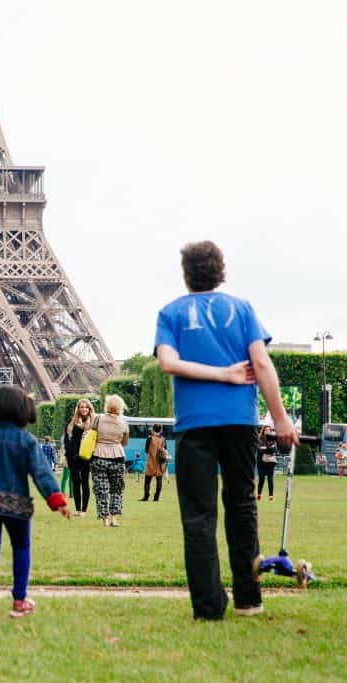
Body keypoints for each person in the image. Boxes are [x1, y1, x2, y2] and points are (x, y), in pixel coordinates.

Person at [155, 240, 298, 621]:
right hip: (240, 421)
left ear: (186, 274)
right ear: (221, 270)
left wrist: (218, 374)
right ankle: (249, 599)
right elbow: (263, 366)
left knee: (198, 517)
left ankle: (208, 607)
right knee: (242, 506)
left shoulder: (170, 313)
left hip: (194, 424)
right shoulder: (242, 308)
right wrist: (280, 418)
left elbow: (168, 363)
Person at [0, 386, 71, 622]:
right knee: (21, 549)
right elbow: (42, 473)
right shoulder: (26, 440)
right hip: (17, 504)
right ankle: (19, 600)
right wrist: (56, 499)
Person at [91, 395, 130, 527]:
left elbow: (92, 437)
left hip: (99, 455)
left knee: (101, 489)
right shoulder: (123, 423)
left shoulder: (97, 419)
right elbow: (124, 443)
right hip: (117, 456)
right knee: (117, 489)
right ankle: (114, 518)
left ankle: (104, 519)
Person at [63, 399, 95, 517]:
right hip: (73, 456)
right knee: (75, 482)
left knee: (85, 482)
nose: (84, 409)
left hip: (86, 456)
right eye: (82, 407)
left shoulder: (93, 423)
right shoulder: (71, 422)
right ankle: (77, 509)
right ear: (78, 408)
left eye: (86, 407)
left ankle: (84, 510)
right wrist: (68, 451)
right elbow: (66, 438)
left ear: (89, 409)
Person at [141, 424, 167, 501]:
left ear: (153, 429)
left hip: (151, 461)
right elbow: (165, 450)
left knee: (147, 481)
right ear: (161, 430)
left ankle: (146, 496)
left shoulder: (150, 438)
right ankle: (156, 497)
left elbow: (146, 450)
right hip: (160, 462)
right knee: (159, 480)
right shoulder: (163, 439)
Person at [256, 427, 277, 501]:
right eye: (266, 430)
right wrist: (268, 450)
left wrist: (266, 449)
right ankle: (259, 494)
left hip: (270, 463)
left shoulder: (273, 440)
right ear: (263, 431)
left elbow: (274, 450)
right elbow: (259, 450)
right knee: (261, 479)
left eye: (269, 430)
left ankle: (271, 496)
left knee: (270, 479)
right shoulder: (260, 439)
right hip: (261, 463)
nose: (267, 431)